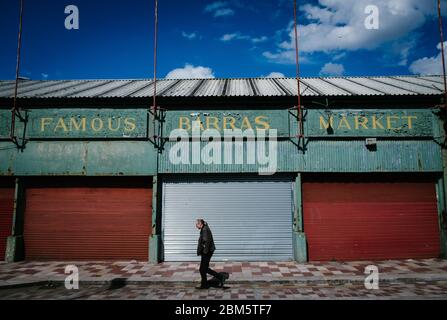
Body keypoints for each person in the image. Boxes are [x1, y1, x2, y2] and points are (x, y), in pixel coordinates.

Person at [195, 218, 228, 289]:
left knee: (202, 269)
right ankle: (208, 283)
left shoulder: (205, 230)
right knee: (204, 269)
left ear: (200, 224)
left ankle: (206, 284)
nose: (195, 226)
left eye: (196, 224)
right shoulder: (204, 229)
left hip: (207, 252)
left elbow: (207, 242)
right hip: (207, 251)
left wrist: (204, 252)